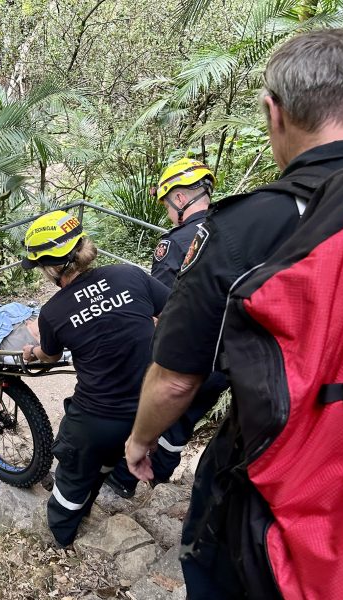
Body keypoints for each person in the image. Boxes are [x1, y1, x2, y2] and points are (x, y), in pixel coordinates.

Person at [124, 29, 343, 598]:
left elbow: (178, 378)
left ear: (274, 113)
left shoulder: (241, 230)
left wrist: (140, 439)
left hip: (289, 492)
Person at [19, 210, 170, 547]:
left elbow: (51, 355)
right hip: (150, 410)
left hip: (97, 417)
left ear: (49, 268)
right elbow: (175, 311)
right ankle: (99, 487)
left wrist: (33, 351)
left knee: (71, 479)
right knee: (104, 461)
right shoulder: (130, 275)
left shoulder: (53, 312)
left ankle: (60, 538)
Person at [105, 159, 228, 498]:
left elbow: (161, 310)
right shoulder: (232, 228)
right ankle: (157, 486)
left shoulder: (175, 243)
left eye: (166, 204)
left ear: (178, 198)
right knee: (181, 427)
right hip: (228, 357)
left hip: (187, 355)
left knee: (154, 414)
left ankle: (122, 482)